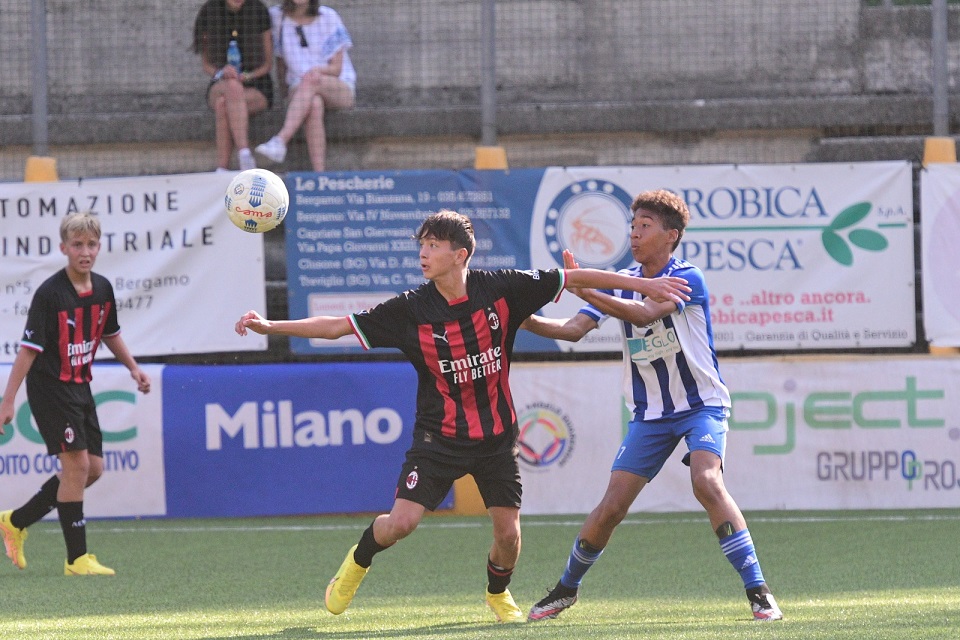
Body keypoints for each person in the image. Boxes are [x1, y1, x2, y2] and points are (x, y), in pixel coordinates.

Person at [234, 209, 690, 621]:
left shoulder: (502, 287)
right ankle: (357, 562)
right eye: (422, 245)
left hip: (496, 439)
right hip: (439, 439)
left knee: (509, 536)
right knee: (401, 525)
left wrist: (646, 286)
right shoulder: (409, 309)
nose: (424, 253)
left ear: (461, 255)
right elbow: (337, 326)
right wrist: (272, 326)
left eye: (434, 245)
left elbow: (575, 277)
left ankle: (497, 595)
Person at [521, 190, 784, 622]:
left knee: (706, 481)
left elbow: (643, 315)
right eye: (633, 225)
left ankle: (759, 593)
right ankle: (565, 590)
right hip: (650, 415)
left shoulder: (687, 277)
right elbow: (571, 330)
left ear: (671, 235)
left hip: (703, 405)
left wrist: (585, 283)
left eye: (645, 225)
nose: (635, 232)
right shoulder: (623, 278)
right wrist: (526, 319)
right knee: (611, 508)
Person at [0, 212, 151, 576]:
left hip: (80, 386)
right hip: (50, 387)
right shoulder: (50, 293)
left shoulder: (101, 287)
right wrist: (8, 400)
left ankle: (16, 521)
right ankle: (76, 560)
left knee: (92, 469)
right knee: (77, 466)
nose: (85, 251)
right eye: (78, 245)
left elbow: (110, 332)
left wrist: (133, 367)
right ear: (64, 248)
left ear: (99, 248)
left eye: (92, 244)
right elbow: (28, 349)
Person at [254, 0, 355, 171]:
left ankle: (280, 140)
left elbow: (336, 69)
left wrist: (316, 71)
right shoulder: (277, 17)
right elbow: (280, 63)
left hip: (335, 85)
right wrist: (285, 93)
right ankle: (319, 173)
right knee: (314, 104)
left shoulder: (328, 17)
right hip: (299, 87)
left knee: (311, 81)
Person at [192, 0, 274, 172]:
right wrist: (223, 72)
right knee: (231, 86)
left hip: (256, 84)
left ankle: (222, 168)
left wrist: (246, 76)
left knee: (224, 104)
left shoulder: (259, 10)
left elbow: (267, 65)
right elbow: (207, 66)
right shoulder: (210, 11)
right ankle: (244, 153)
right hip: (221, 81)